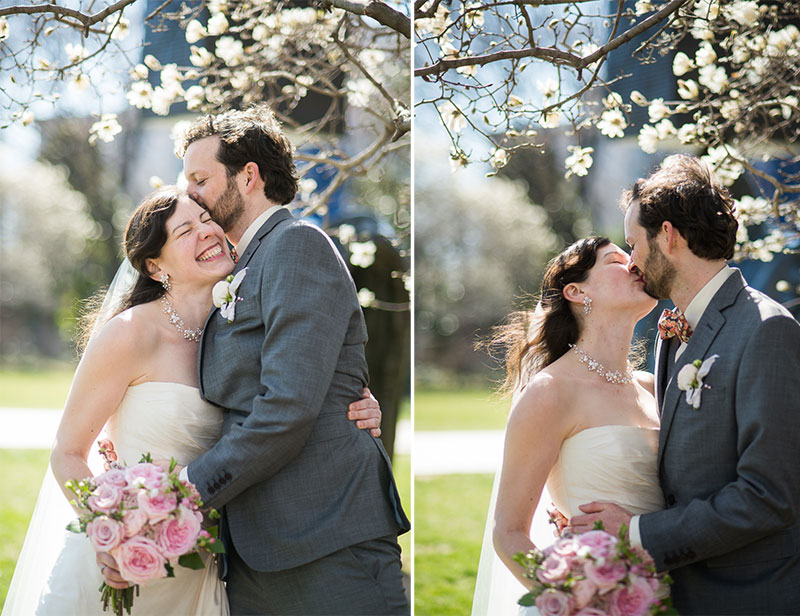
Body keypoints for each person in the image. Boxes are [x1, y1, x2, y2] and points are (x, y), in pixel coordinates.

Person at [2, 188, 383, 615]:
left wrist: (358, 405)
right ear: (154, 265)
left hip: (202, 562)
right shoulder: (129, 334)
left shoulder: (241, 331)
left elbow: (289, 400)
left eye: (206, 219)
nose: (208, 232)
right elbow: (67, 452)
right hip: (124, 562)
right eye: (186, 230)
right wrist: (111, 534)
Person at [106, 106, 410, 615]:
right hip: (254, 549)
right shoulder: (239, 267)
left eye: (200, 179)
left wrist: (178, 499)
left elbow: (288, 406)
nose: (191, 194)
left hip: (322, 536)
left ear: (248, 177)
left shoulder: (296, 246)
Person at [569, 155, 800, 614]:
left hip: (763, 594)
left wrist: (634, 532)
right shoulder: (672, 334)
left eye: (633, 244)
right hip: (691, 590)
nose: (630, 264)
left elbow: (769, 497)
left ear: (667, 236)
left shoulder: (768, 329)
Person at [472, 236, 664, 615]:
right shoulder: (550, 392)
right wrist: (581, 600)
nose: (635, 264)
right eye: (615, 260)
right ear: (576, 291)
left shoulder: (657, 385)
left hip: (682, 587)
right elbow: (508, 532)